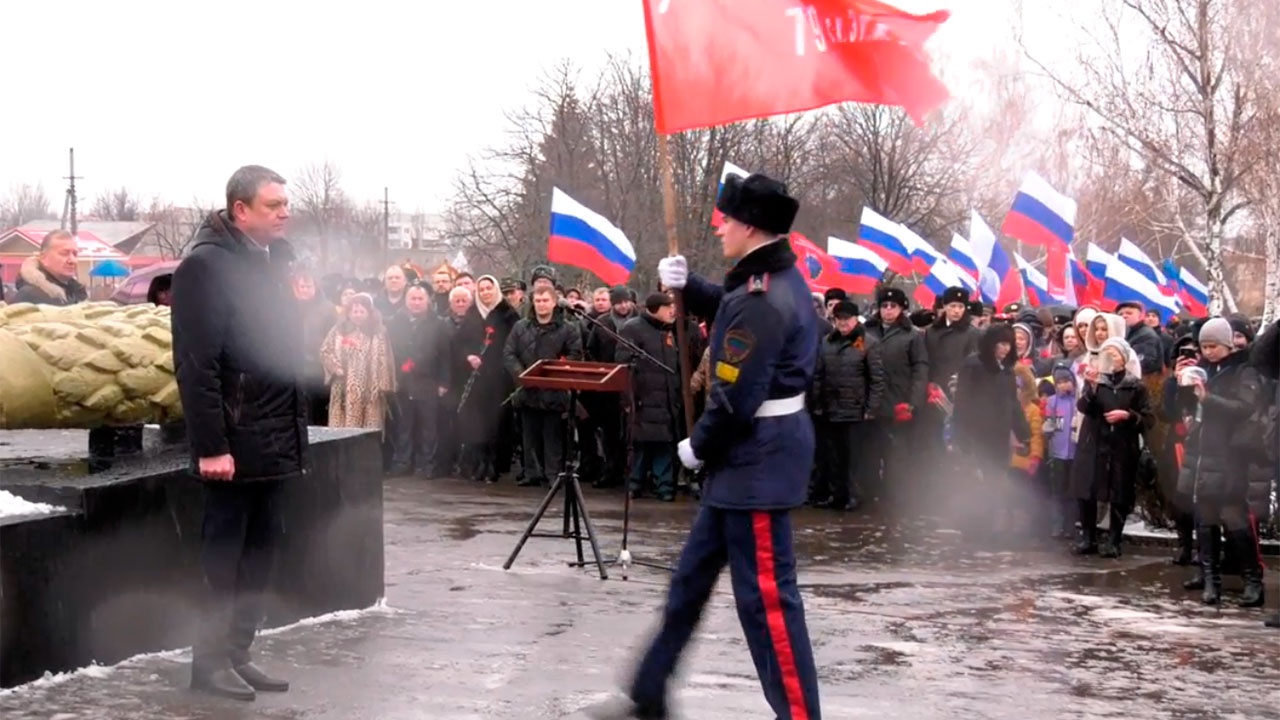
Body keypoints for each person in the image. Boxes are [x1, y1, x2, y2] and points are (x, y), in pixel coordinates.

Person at [591, 172, 821, 720]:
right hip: (746, 465)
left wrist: (699, 444)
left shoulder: (762, 297)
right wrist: (691, 286)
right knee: (688, 585)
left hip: (755, 461)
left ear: (749, 226)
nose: (720, 230)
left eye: (726, 222)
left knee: (768, 604)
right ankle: (648, 694)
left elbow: (738, 397)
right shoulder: (764, 282)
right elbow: (734, 304)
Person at [171, 165, 306, 701]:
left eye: (285, 204)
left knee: (260, 554)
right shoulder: (204, 268)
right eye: (273, 205)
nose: (285, 213)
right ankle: (208, 663)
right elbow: (196, 365)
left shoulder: (268, 262)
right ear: (240, 209)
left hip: (272, 436)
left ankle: (238, 652)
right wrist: (212, 446)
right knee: (223, 558)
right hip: (232, 441)